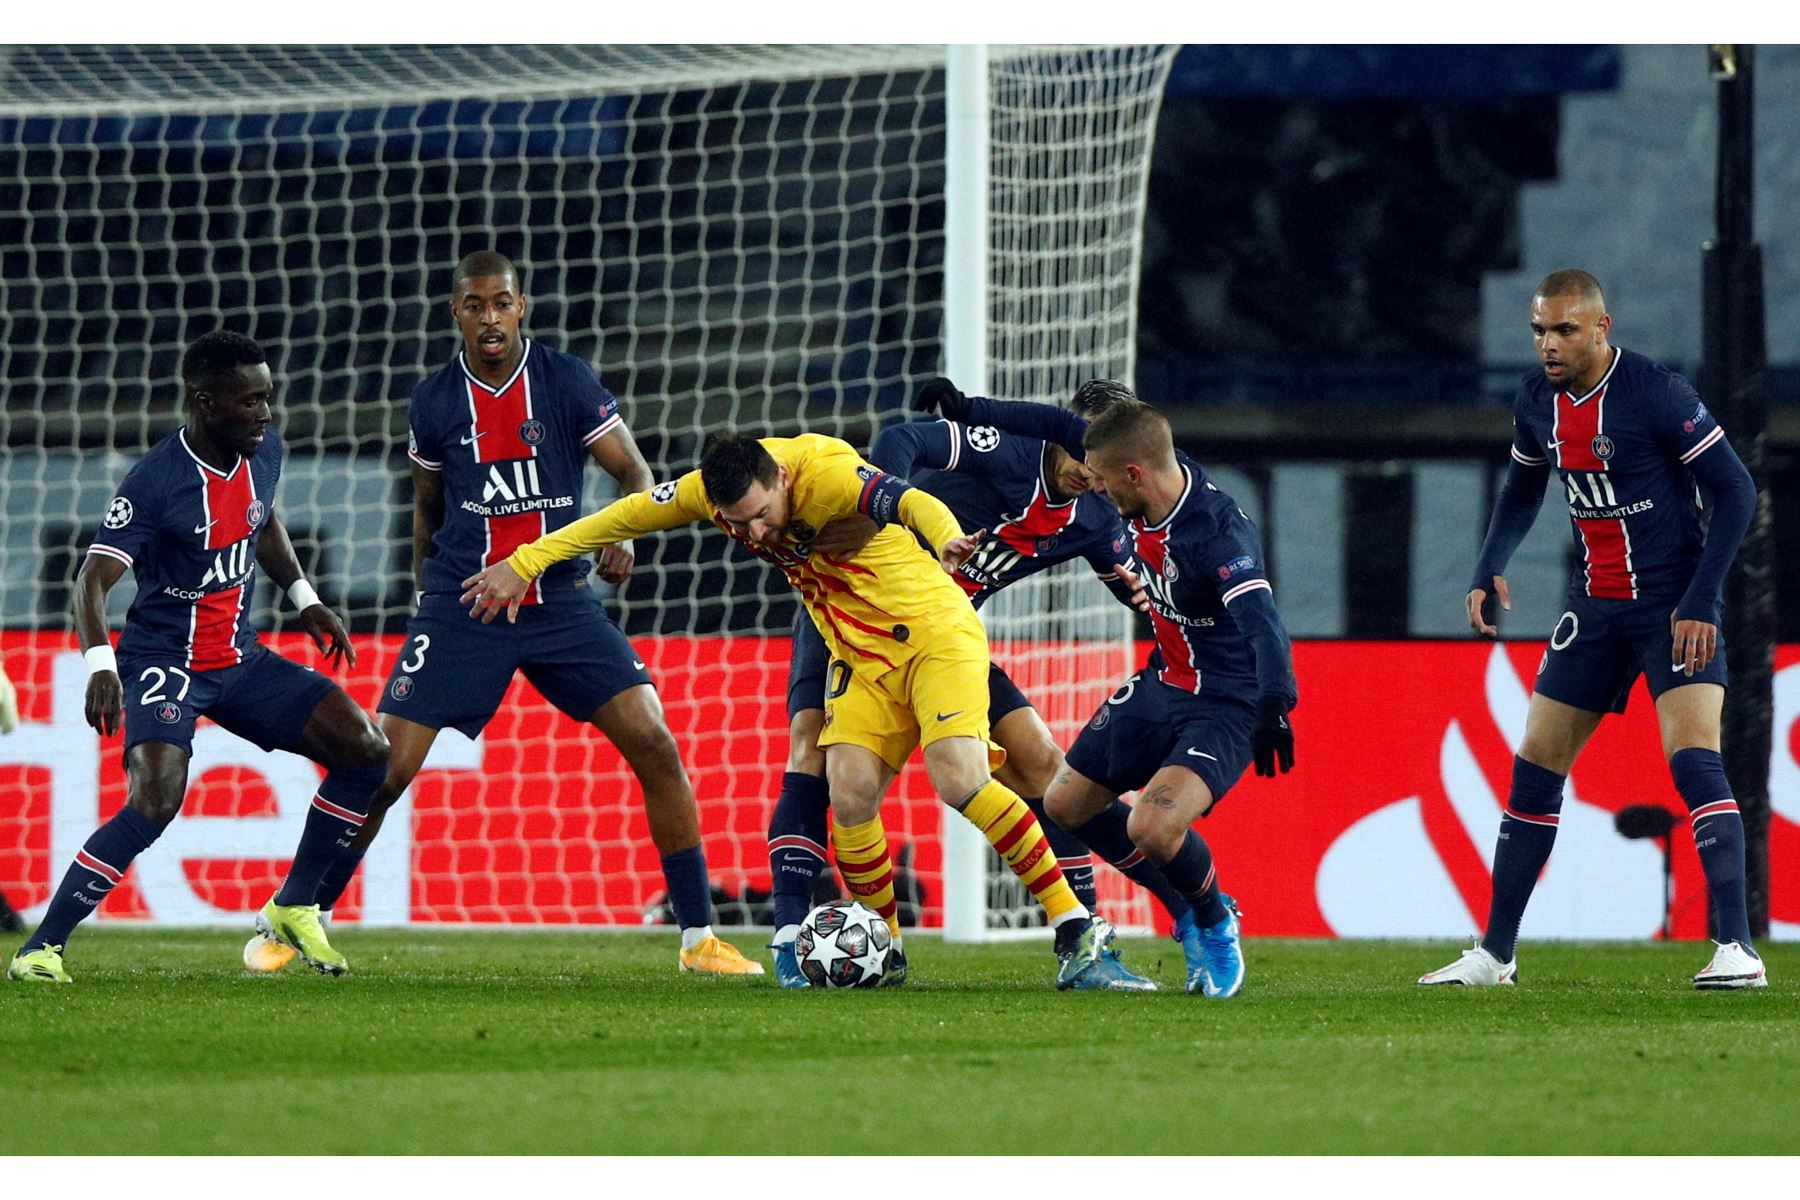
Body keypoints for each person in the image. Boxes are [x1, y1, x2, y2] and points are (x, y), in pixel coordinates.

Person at [462, 431, 1147, 990]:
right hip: (858, 651)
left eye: (761, 514)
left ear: (783, 483)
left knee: (958, 777)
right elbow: (620, 516)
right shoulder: (712, 494)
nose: (754, 532)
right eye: (737, 523)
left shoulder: (829, 472)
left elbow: (907, 499)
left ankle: (1076, 929)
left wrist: (945, 540)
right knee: (847, 794)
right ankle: (886, 948)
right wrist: (525, 561)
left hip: (935, 635)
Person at [242, 251, 760, 977]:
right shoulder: (434, 401)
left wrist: (626, 532)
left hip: (560, 604)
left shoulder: (567, 381)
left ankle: (699, 938)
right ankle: (297, 916)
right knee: (382, 771)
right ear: (456, 313)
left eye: (503, 302)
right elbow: (426, 508)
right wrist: (430, 602)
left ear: (523, 307)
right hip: (466, 609)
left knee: (657, 744)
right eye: (476, 305)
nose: (491, 317)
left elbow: (636, 474)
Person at [763, 381, 1217, 989]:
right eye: (1082, 450)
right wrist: (877, 510)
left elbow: (1140, 592)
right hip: (847, 610)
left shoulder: (1097, 518)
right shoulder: (1001, 450)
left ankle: (1147, 922)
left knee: (1046, 768)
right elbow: (902, 438)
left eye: (1102, 461)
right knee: (814, 751)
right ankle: (790, 941)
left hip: (939, 641)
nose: (1090, 470)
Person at [7, 331, 389, 983]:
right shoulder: (157, 481)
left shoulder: (262, 452)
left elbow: (262, 520)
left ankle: (295, 903)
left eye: (268, 398)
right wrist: (102, 666)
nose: (266, 414)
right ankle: (41, 948)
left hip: (239, 660)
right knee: (155, 799)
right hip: (165, 662)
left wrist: (304, 598)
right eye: (251, 402)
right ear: (206, 403)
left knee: (368, 751)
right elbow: (91, 580)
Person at [1419, 269, 1763, 989]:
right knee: (1535, 762)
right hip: (1597, 605)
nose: (1548, 344)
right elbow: (1522, 483)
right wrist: (1489, 563)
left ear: (1602, 329)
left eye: (1564, 330)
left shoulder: (1656, 394)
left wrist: (1702, 599)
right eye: (1540, 330)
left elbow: (1735, 489)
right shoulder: (1535, 401)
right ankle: (1495, 955)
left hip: (1674, 601)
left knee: (1694, 756)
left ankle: (1737, 950)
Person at [918, 383, 1299, 998]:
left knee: (1153, 827)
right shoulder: (1143, 488)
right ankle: (1186, 906)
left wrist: (1276, 703)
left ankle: (1210, 919)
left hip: (1225, 701)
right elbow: (1048, 420)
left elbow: (1263, 623)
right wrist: (968, 409)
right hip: (1160, 682)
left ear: (1132, 473)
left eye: (1101, 478)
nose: (1094, 486)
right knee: (1064, 803)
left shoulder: (1217, 533)